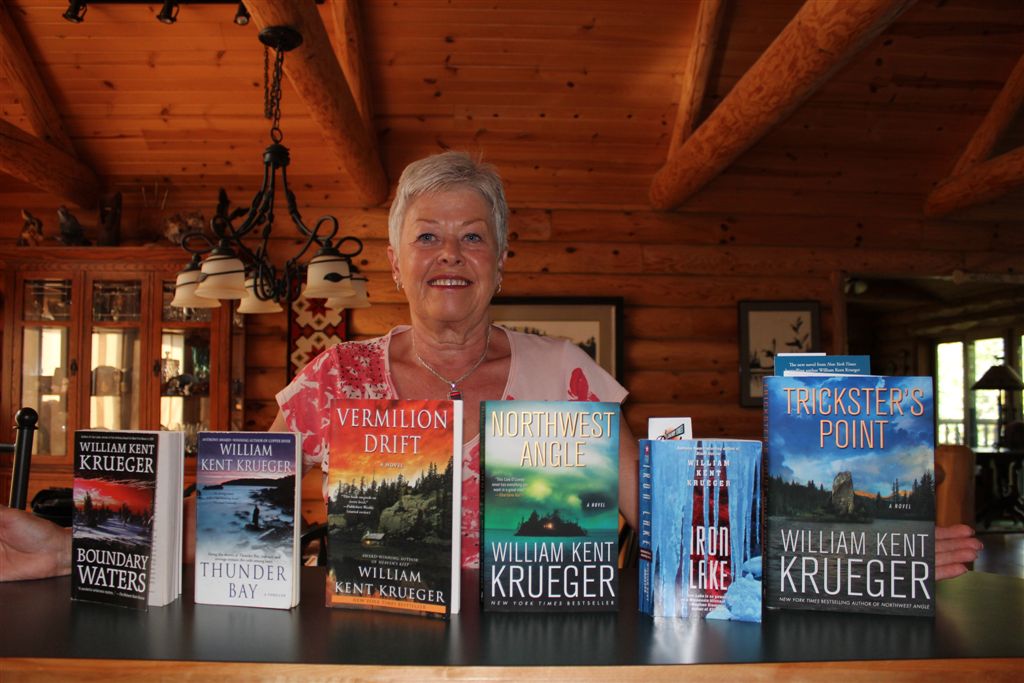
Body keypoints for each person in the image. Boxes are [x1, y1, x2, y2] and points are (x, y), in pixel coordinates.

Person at [0, 151, 984, 581]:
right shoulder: (332, 379)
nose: (450, 254)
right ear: (396, 261)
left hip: (543, 647)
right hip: (370, 644)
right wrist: (71, 547)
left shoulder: (566, 372)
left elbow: (673, 511)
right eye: (427, 235)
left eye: (473, 235)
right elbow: (229, 519)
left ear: (501, 260)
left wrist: (853, 552)